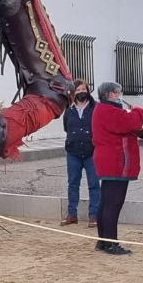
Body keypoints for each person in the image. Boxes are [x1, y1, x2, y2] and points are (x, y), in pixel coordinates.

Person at [91, 81, 143, 255]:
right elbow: (131, 123)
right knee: (113, 204)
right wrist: (139, 111)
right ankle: (111, 243)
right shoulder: (110, 111)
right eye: (119, 92)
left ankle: (103, 240)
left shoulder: (102, 109)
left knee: (105, 202)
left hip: (108, 160)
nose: (120, 95)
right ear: (111, 95)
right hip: (116, 161)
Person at [61, 79, 99, 228]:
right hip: (73, 152)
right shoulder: (69, 109)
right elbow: (66, 127)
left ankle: (94, 216)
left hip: (91, 152)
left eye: (84, 89)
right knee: (73, 185)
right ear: (73, 93)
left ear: (88, 91)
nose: (81, 92)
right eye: (78, 90)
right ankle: (72, 215)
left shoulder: (95, 108)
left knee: (94, 185)